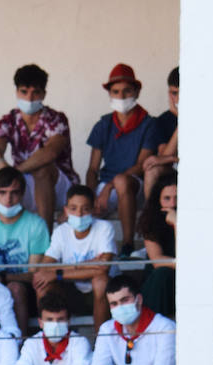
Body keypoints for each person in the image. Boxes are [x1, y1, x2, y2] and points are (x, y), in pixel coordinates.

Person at [0, 63, 79, 225]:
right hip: (21, 184)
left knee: (42, 169)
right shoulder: (8, 120)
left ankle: (44, 240)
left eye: (35, 93)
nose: (29, 98)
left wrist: (14, 172)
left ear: (44, 94)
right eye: (24, 92)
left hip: (59, 186)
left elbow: (50, 153)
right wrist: (0, 163)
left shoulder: (56, 119)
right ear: (16, 92)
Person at [86, 64, 161, 252]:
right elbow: (93, 169)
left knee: (121, 181)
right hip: (106, 186)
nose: (121, 97)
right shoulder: (103, 124)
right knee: (76, 212)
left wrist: (109, 186)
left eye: (127, 91)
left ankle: (128, 244)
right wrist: (89, 197)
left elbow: (141, 165)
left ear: (137, 91)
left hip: (137, 185)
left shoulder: (149, 124)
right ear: (109, 94)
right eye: (116, 92)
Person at [0, 166, 50, 332]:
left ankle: (19, 344)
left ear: (23, 193)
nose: (8, 198)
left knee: (15, 288)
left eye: (14, 192)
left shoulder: (36, 225)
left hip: (25, 291)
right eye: (3, 192)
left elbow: (34, 273)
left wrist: (4, 277)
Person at [33, 183, 115, 328]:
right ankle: (49, 338)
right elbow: (45, 267)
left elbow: (103, 268)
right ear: (65, 210)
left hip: (100, 294)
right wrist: (88, 264)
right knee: (43, 285)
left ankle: (101, 341)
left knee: (100, 280)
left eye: (85, 209)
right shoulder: (61, 231)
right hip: (71, 291)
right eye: (73, 208)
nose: (79, 214)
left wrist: (58, 273)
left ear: (93, 209)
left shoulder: (104, 228)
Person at [137, 172, 177, 319]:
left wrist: (177, 224)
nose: (172, 204)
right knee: (163, 273)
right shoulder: (151, 220)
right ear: (158, 200)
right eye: (167, 198)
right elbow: (157, 259)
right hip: (160, 280)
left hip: (182, 277)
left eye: (177, 198)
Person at [142, 67, 180, 182]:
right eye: (174, 93)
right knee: (152, 170)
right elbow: (164, 156)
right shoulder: (163, 120)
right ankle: (151, 201)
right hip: (175, 170)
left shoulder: (207, 117)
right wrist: (181, 122)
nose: (178, 98)